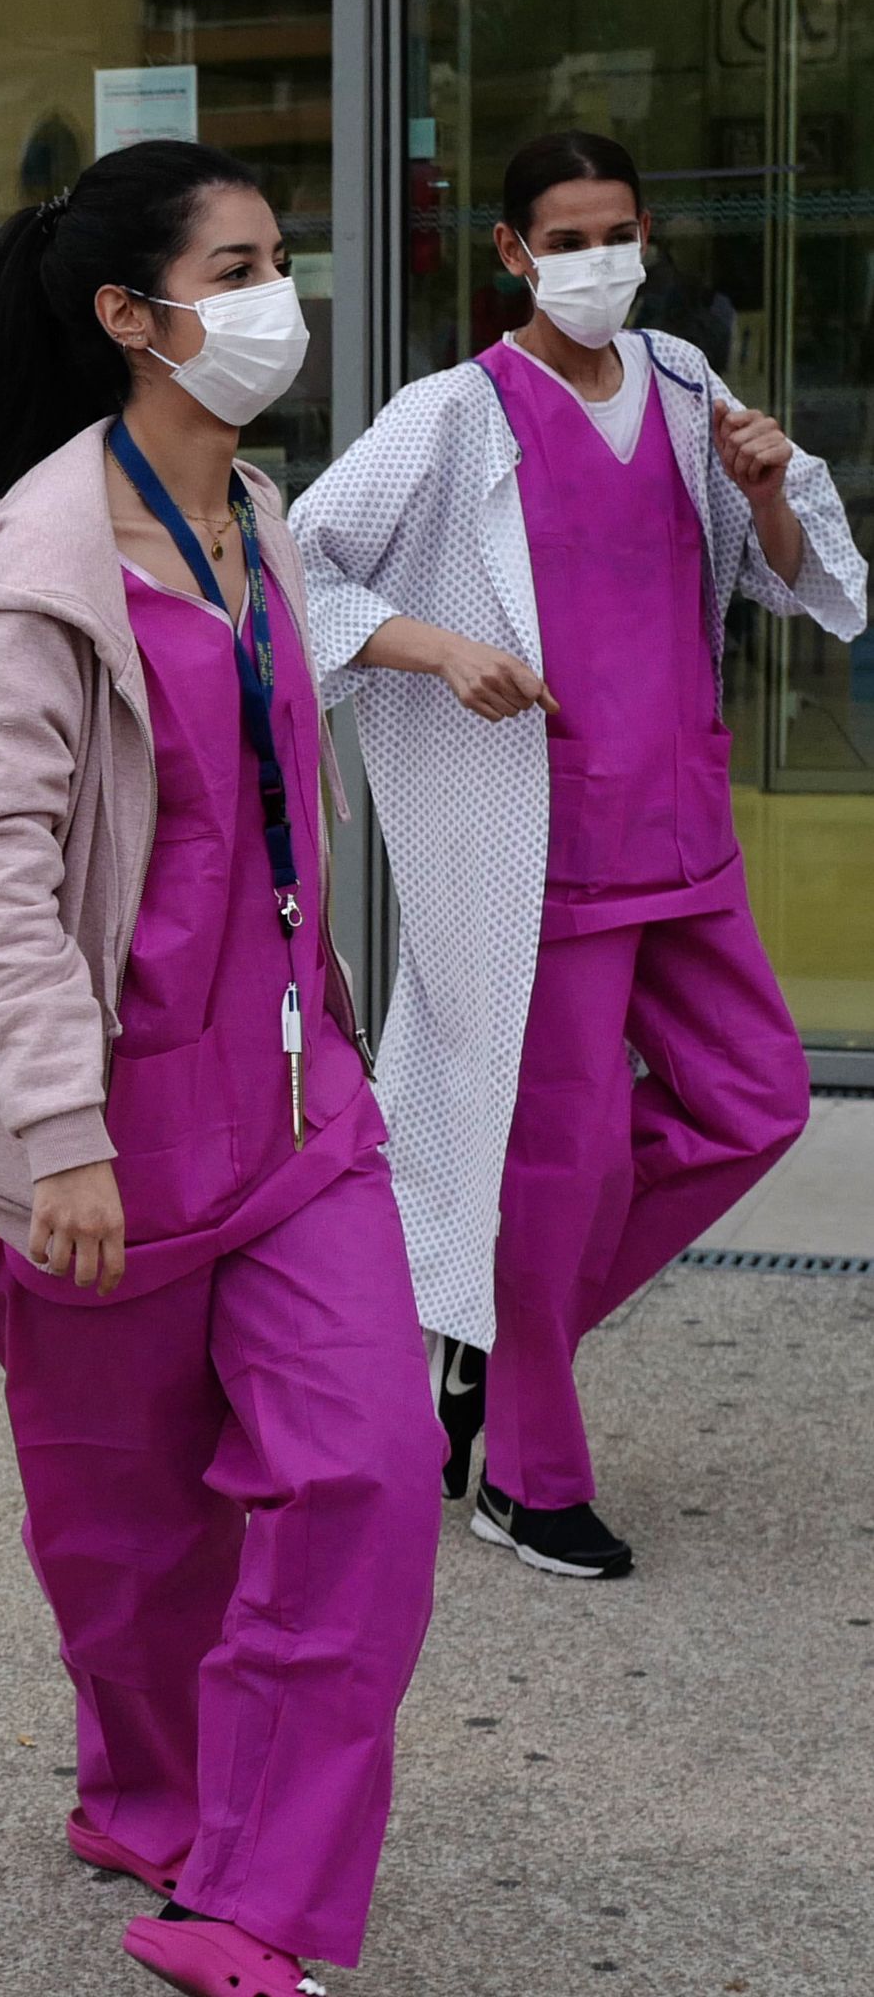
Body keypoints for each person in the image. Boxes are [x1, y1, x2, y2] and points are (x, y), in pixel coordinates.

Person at [0, 142, 436, 1997]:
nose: (281, 298)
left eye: (281, 257)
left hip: (295, 1115)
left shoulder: (257, 514)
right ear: (131, 316)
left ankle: (255, 1896)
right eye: (239, 267)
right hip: (103, 1145)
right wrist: (58, 1128)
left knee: (366, 1477)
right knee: (128, 1543)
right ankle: (148, 1794)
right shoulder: (40, 581)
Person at [292, 128, 864, 1579]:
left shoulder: (685, 387)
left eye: (620, 233)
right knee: (559, 1164)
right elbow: (300, 562)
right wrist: (438, 649)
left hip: (683, 831)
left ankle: (483, 1332)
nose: (600, 261)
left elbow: (795, 580)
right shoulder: (451, 415)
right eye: (568, 239)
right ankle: (527, 1477)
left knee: (755, 1101)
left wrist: (768, 486)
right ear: (512, 252)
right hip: (540, 855)